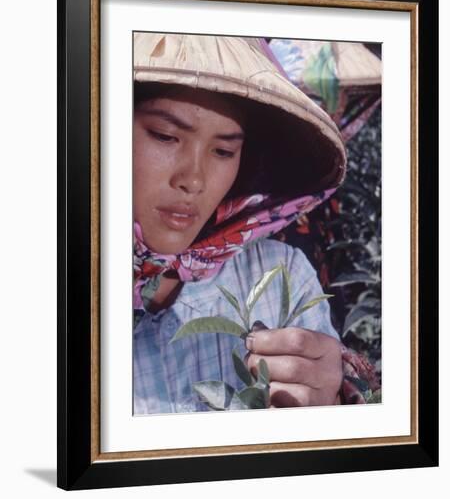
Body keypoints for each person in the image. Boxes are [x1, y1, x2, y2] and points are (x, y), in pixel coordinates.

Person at [133, 32, 380, 414]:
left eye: (224, 150)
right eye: (165, 136)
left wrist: (328, 400)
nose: (194, 179)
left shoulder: (279, 274)